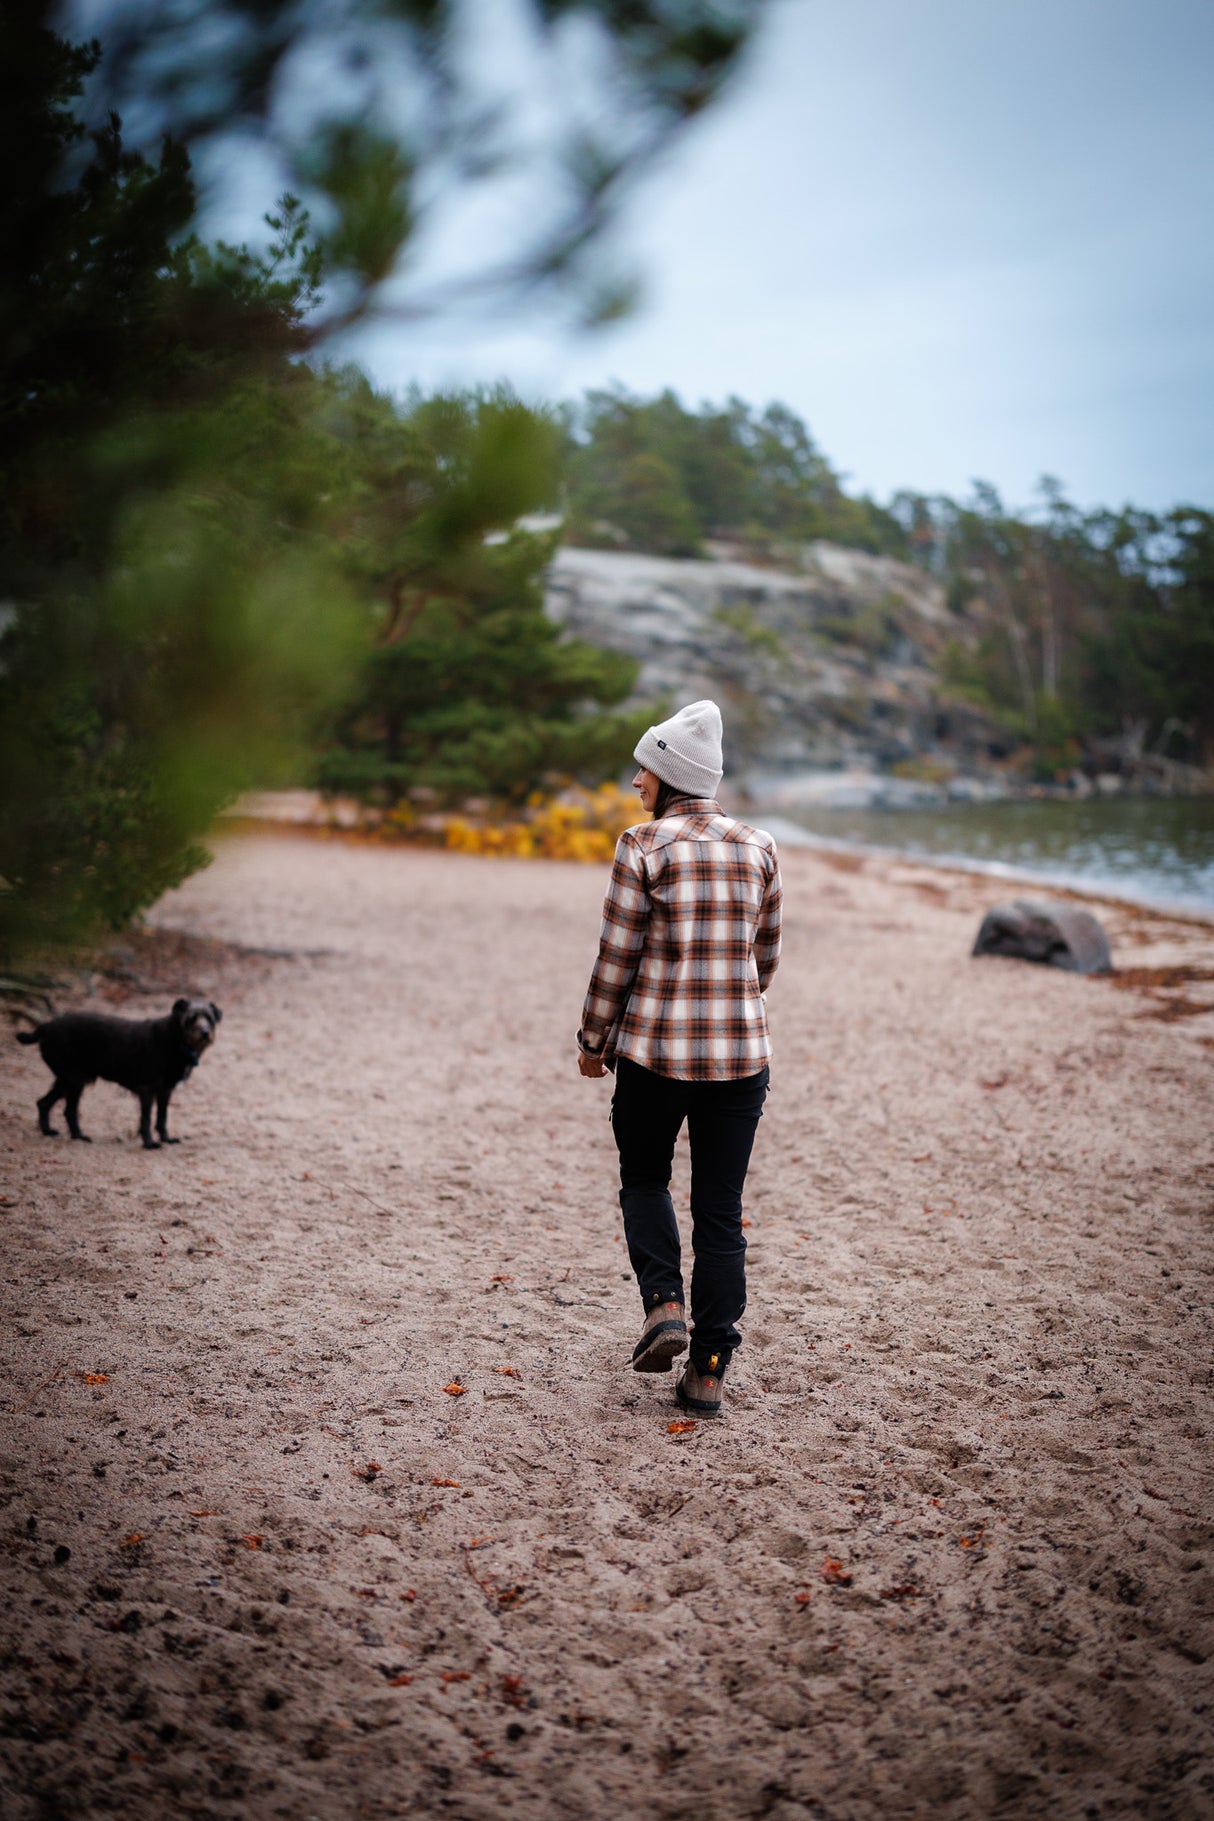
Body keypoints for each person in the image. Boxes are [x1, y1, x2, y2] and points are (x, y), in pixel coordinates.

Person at [576, 700, 782, 1417]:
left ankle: (663, 1304)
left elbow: (616, 959)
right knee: (720, 1212)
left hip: (655, 1052)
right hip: (740, 1057)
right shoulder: (760, 846)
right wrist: (725, 996)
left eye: (646, 768)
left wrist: (592, 1041)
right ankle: (708, 1370)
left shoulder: (642, 846)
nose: (636, 781)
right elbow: (766, 959)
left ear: (669, 777)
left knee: (644, 1178)